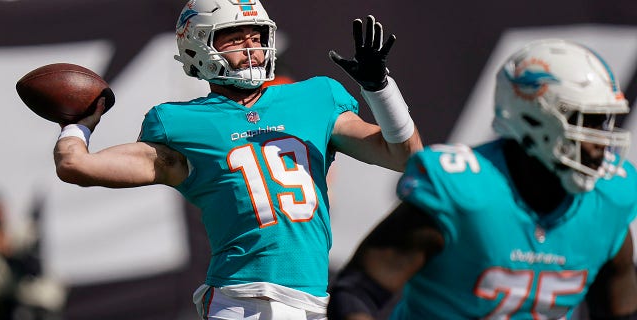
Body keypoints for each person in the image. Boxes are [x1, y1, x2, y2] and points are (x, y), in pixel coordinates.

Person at [52, 0, 421, 319]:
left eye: (257, 36)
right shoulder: (180, 123)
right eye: (235, 36)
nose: (252, 47)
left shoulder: (315, 97)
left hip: (314, 301)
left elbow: (406, 157)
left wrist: (380, 88)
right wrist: (77, 124)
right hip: (240, 302)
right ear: (198, 45)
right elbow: (77, 166)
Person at [327, 39, 637, 320]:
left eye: (603, 123)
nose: (600, 144)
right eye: (585, 122)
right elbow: (356, 292)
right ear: (532, 117)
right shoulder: (466, 192)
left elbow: (620, 311)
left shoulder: (608, 200)